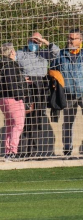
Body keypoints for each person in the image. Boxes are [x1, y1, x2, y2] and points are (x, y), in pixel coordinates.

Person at [16, 32, 60, 157]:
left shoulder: (45, 53)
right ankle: (22, 150)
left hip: (41, 87)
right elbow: (12, 65)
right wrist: (21, 79)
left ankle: (34, 150)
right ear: (28, 40)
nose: (34, 44)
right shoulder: (21, 53)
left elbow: (57, 53)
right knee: (24, 119)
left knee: (37, 120)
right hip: (26, 88)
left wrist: (45, 42)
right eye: (32, 41)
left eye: (37, 42)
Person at [0, 43, 32, 161]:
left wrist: (21, 80)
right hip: (13, 99)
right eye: (14, 51)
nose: (15, 53)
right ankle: (12, 151)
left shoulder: (0, 65)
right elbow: (12, 84)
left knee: (10, 126)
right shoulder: (10, 65)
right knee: (18, 125)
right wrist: (21, 93)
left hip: (3, 100)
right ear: (11, 52)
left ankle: (8, 152)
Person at [50, 28, 83, 157]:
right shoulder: (61, 55)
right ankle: (67, 149)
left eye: (73, 38)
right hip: (68, 95)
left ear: (80, 40)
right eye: (69, 38)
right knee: (68, 123)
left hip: (82, 93)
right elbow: (52, 69)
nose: (70, 40)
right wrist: (55, 80)